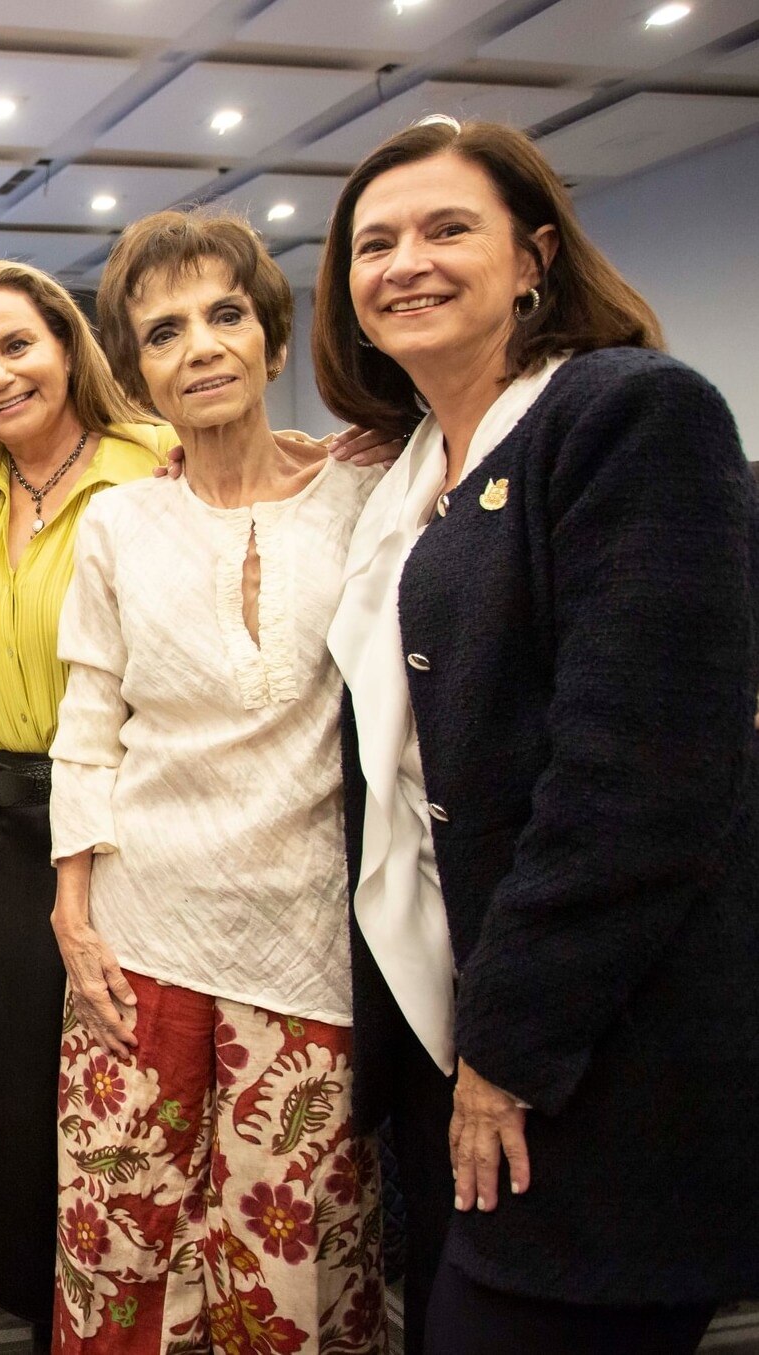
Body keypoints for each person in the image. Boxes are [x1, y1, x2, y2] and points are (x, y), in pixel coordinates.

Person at [317, 116, 759, 1353]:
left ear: (535, 257)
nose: (406, 262)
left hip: (592, 1051)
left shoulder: (632, 414)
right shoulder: (407, 475)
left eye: (447, 228)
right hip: (453, 1031)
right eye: (375, 244)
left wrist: (506, 1050)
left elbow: (641, 782)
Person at [46, 211, 385, 1352]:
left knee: (284, 1254)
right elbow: (88, 724)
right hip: (140, 937)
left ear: (274, 340)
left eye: (225, 315)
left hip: (308, 940)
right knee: (122, 1236)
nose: (199, 346)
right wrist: (73, 904)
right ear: (138, 372)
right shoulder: (120, 522)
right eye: (163, 332)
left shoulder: (367, 496)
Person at [0, 260, 178, 1349]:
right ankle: (49, 1320)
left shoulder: (154, 464)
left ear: (68, 345)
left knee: (129, 1104)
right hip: (15, 824)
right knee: (22, 1109)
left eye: (17, 345)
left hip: (131, 826)